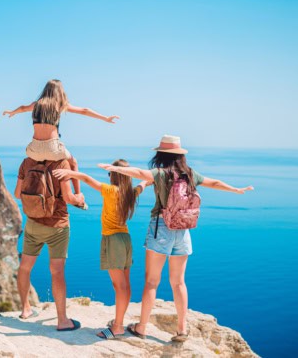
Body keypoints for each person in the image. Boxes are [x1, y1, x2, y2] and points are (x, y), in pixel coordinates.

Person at [98, 135, 254, 342]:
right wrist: (235, 189)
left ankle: (141, 327)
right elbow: (213, 182)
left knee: (152, 282)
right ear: (180, 155)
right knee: (179, 282)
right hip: (183, 230)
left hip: (161, 228)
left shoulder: (161, 173)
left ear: (161, 154)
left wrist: (115, 169)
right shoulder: (190, 174)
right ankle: (181, 330)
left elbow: (139, 173)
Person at [52, 160, 151, 339]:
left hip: (112, 240)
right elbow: (142, 185)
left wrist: (71, 174)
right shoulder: (131, 193)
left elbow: (89, 180)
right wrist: (147, 180)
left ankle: (118, 327)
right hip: (126, 239)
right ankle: (118, 321)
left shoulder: (112, 191)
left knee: (118, 285)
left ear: (113, 176)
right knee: (125, 285)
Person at [4, 79, 119, 207]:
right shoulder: (59, 105)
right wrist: (105, 118)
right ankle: (78, 195)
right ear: (59, 92)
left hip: (33, 149)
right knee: (73, 162)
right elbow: (84, 110)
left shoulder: (36, 104)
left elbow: (22, 108)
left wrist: (12, 112)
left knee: (38, 158)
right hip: (53, 149)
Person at [14, 156, 85, 331]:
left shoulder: (27, 162)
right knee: (57, 271)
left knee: (24, 267)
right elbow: (68, 198)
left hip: (33, 223)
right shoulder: (61, 163)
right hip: (57, 225)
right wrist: (80, 198)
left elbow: (17, 194)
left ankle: (25, 310)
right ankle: (62, 320)